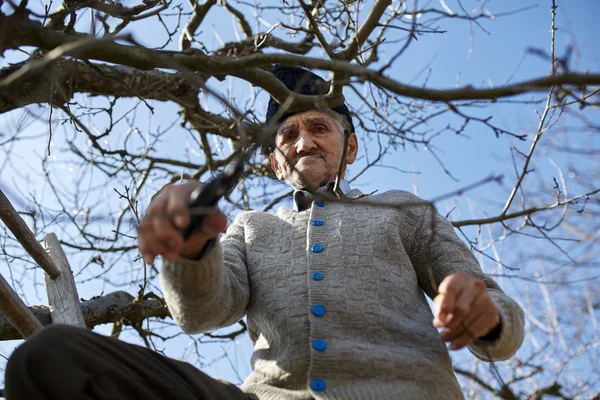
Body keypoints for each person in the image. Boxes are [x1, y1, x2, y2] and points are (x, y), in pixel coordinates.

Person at [4, 66, 524, 400]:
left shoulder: (406, 210)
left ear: (351, 148)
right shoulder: (252, 228)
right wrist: (192, 249)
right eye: (288, 136)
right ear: (276, 163)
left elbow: (500, 324)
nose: (303, 143)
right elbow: (201, 312)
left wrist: (487, 319)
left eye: (319, 128)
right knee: (50, 356)